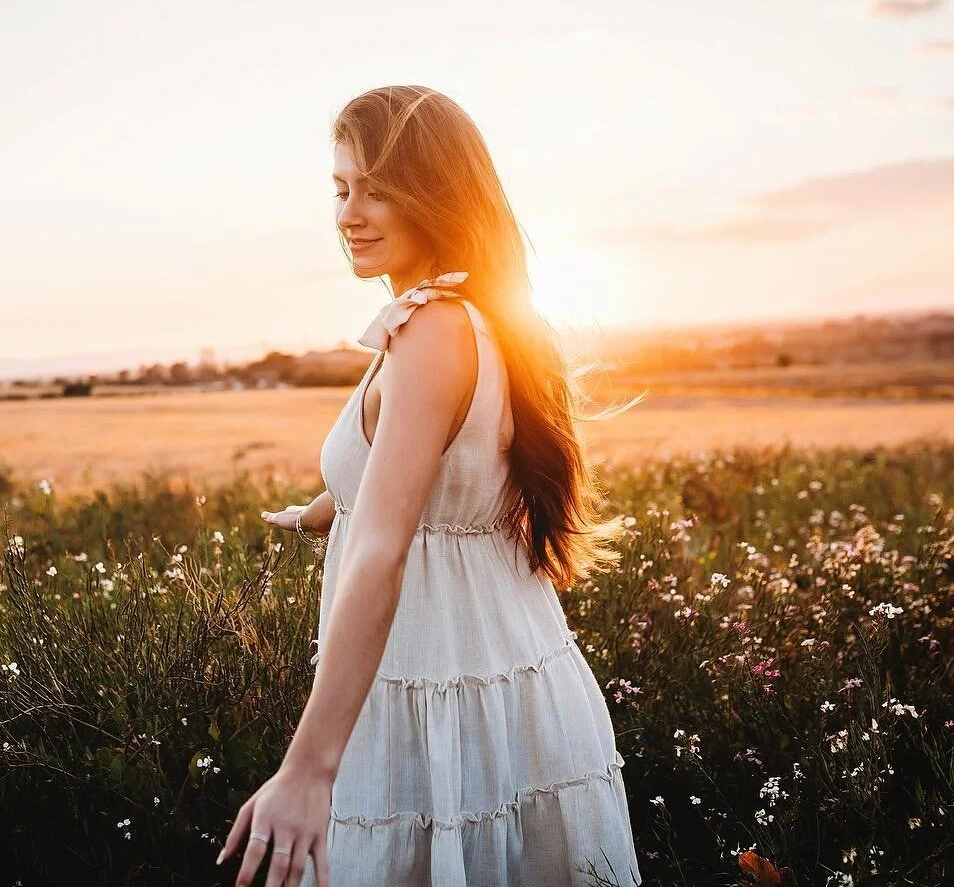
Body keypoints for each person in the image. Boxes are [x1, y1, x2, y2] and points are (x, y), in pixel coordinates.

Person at [216, 85, 645, 887]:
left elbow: (384, 551)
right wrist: (328, 508)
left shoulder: (434, 334)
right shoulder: (467, 319)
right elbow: (445, 478)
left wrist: (307, 769)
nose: (351, 212)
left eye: (380, 188)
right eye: (342, 189)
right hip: (486, 676)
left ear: (437, 194)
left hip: (441, 687)